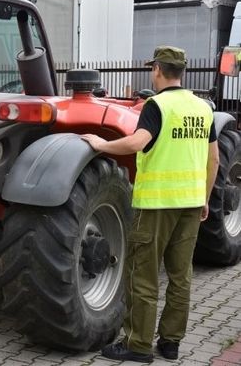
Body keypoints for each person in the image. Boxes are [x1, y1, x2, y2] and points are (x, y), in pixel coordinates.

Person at [81, 45, 220, 363]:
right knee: (180, 275)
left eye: (152, 68)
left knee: (142, 275)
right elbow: (214, 158)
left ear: (157, 69)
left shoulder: (157, 105)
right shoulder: (202, 108)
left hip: (157, 205)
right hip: (190, 203)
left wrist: (102, 143)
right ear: (182, 71)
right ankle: (170, 343)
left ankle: (138, 344)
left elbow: (137, 142)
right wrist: (204, 198)